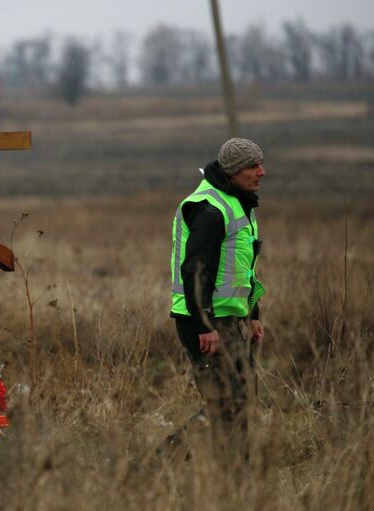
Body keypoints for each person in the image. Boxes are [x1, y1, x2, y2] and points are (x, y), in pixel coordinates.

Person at [168, 137, 266, 474]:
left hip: (227, 319)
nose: (261, 172)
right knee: (227, 401)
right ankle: (157, 468)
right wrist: (204, 326)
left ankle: (235, 473)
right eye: (254, 166)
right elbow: (195, 270)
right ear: (235, 171)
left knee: (242, 397)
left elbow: (243, 267)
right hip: (204, 320)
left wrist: (252, 315)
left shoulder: (238, 203)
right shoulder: (211, 209)